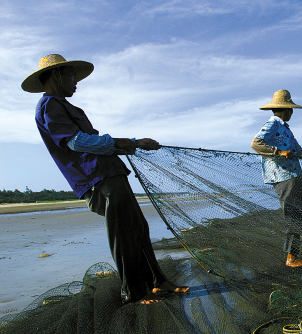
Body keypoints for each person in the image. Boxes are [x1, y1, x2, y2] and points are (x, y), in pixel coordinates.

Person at [22, 54, 188, 304]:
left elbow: (97, 144)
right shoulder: (49, 105)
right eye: (72, 76)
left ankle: (157, 281)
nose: (76, 82)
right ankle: (134, 291)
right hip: (96, 178)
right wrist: (130, 142)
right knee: (122, 231)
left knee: (138, 228)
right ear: (56, 75)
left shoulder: (69, 107)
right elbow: (78, 142)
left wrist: (135, 145)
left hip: (111, 172)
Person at [251, 89, 302, 267]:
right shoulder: (272, 124)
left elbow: (300, 151)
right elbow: (256, 143)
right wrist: (279, 152)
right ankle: (292, 258)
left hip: (294, 176)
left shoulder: (285, 128)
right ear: (287, 109)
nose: (292, 113)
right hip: (283, 177)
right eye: (291, 109)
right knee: (293, 217)